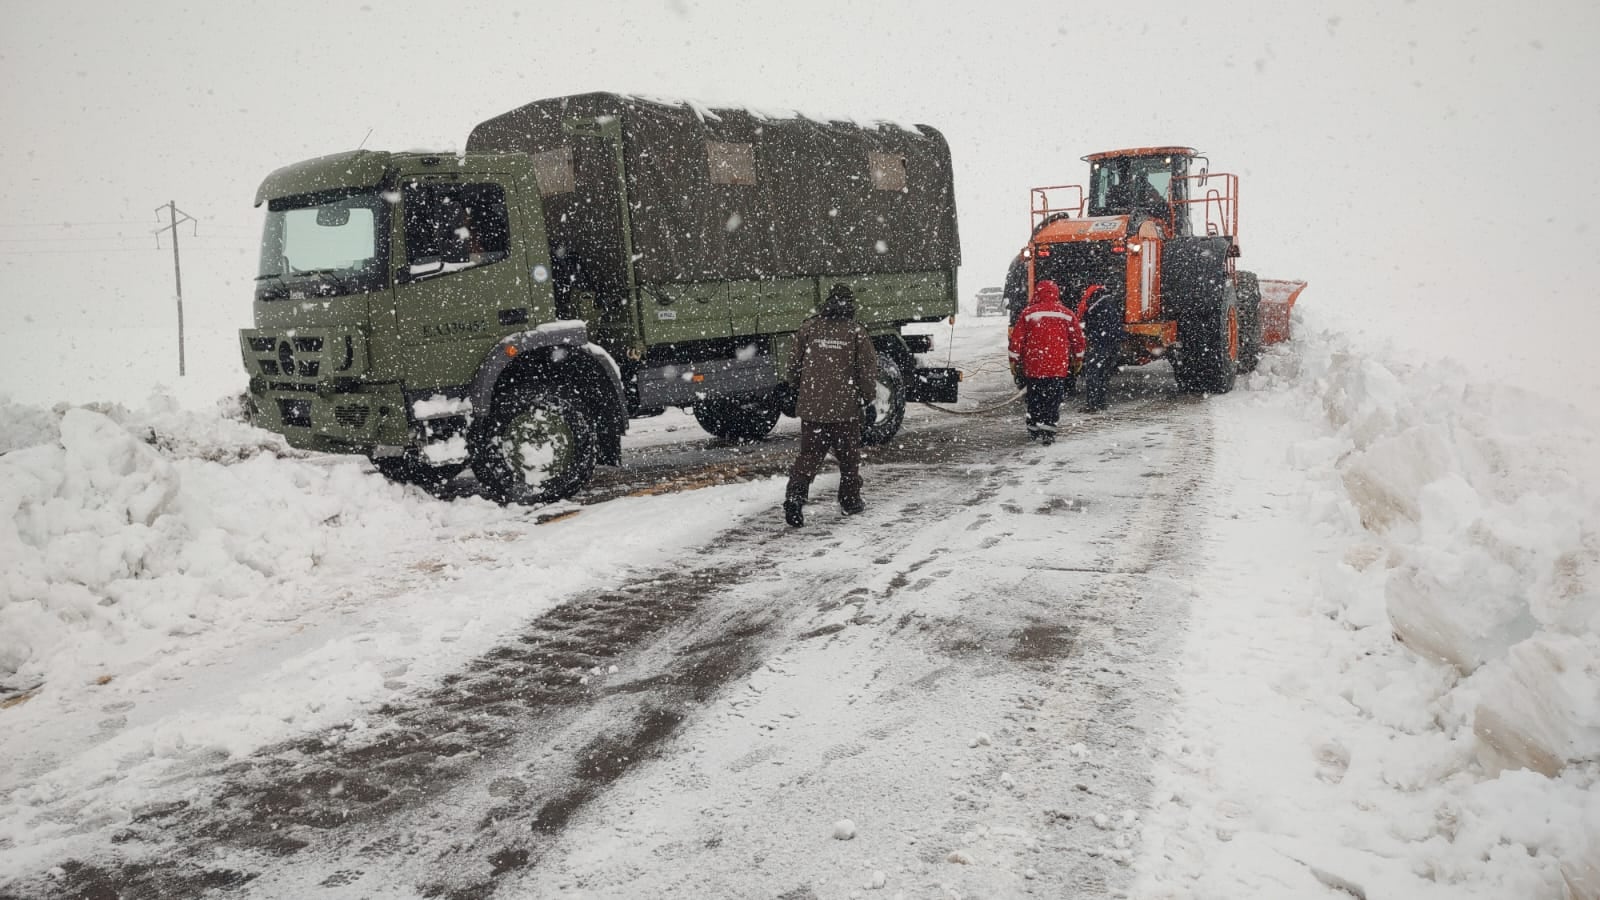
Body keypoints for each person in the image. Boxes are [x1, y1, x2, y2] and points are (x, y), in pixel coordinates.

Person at [782, 283, 878, 527]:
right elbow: (867, 370)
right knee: (849, 459)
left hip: (812, 408)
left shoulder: (810, 328)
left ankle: (795, 495)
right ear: (850, 305)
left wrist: (791, 386)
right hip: (845, 410)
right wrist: (868, 399)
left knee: (809, 455)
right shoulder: (856, 332)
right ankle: (850, 500)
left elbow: (794, 364)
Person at [1007, 280, 1085, 445]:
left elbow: (1016, 340)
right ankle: (1049, 429)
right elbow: (1078, 340)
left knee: (1034, 397)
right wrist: (1078, 359)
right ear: (1056, 294)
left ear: (1037, 293)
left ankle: (1034, 427)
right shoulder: (1067, 314)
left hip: (1034, 366)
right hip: (1057, 368)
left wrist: (1013, 360)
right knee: (1053, 399)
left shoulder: (1028, 314)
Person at [1080, 282, 1125, 413]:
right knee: (1103, 373)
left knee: (1093, 372)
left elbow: (1096, 326)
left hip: (1101, 343)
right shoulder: (1110, 303)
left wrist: (1088, 332)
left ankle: (1093, 404)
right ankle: (1101, 402)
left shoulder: (1098, 306)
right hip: (1110, 343)